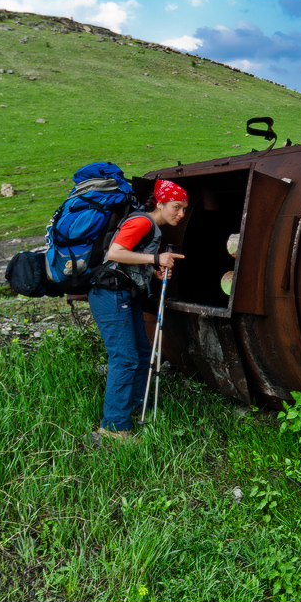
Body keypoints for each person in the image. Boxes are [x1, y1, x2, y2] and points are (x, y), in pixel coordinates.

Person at [90, 179, 188, 441]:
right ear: (160, 203)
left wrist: (152, 272)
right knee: (125, 358)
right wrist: (155, 258)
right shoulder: (143, 222)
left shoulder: (151, 226)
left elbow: (130, 260)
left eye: (184, 210)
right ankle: (113, 428)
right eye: (176, 207)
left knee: (143, 353)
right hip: (110, 296)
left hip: (122, 294)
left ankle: (130, 407)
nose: (180, 214)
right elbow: (115, 252)